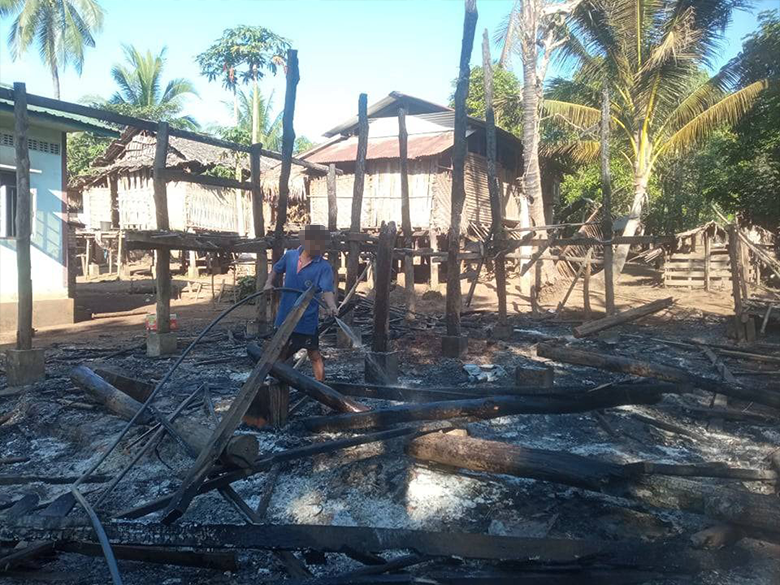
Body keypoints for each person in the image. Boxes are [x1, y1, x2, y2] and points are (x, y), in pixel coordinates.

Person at [264, 224, 337, 381]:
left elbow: (327, 290)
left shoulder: (323, 267)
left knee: (314, 353)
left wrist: (331, 306)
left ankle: (321, 386)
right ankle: (277, 382)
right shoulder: (290, 256)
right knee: (280, 350)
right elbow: (276, 269)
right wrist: (269, 283)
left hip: (306, 317)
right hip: (285, 314)